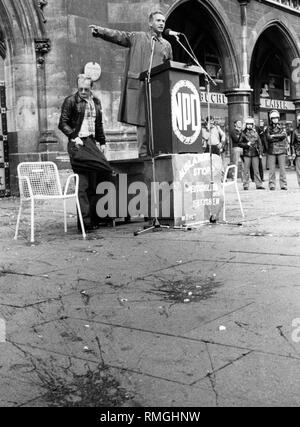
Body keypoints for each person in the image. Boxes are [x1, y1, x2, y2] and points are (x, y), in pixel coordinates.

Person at [89, 10, 173, 157]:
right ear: (150, 23)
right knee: (142, 121)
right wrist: (100, 31)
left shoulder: (167, 45)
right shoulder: (138, 37)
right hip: (141, 86)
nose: (161, 23)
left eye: (163, 21)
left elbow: (169, 67)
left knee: (157, 121)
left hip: (158, 89)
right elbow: (119, 36)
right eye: (158, 20)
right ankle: (143, 155)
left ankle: (158, 153)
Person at [58, 74, 110, 232]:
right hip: (78, 145)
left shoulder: (96, 102)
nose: (82, 92)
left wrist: (102, 142)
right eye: (80, 89)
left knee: (94, 184)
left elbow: (98, 124)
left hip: (92, 144)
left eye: (86, 89)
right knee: (83, 185)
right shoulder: (71, 101)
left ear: (91, 88)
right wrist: (74, 136)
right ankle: (84, 224)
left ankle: (93, 220)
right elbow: (63, 123)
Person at [238, 117, 265, 191]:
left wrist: (260, 153)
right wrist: (247, 144)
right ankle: (245, 185)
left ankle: (258, 184)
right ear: (246, 125)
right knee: (246, 170)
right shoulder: (243, 133)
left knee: (256, 170)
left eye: (250, 124)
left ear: (253, 125)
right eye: (248, 124)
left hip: (255, 153)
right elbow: (239, 143)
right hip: (247, 153)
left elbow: (260, 144)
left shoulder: (256, 133)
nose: (249, 125)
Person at [265, 110, 288, 191]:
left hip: (281, 149)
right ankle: (272, 184)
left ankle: (283, 184)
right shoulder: (268, 128)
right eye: (273, 118)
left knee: (282, 168)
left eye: (276, 118)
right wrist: (278, 137)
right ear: (271, 119)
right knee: (271, 169)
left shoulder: (282, 127)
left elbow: (284, 136)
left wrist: (274, 136)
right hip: (271, 150)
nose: (275, 120)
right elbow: (268, 138)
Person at [291, 114, 300, 188]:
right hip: (298, 152)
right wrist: (293, 152)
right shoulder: (295, 131)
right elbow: (292, 143)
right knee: (299, 170)